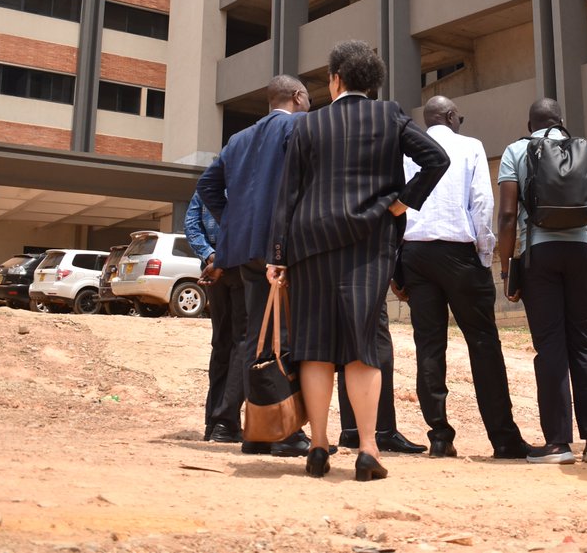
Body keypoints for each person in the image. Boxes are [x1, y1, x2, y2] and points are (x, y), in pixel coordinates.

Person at [267, 40, 449, 481]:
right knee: (362, 346)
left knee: (313, 347)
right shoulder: (389, 115)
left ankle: (318, 445)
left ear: (336, 79)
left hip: (311, 243)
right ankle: (367, 450)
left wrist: (278, 255)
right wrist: (401, 203)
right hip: (368, 243)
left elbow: (288, 194)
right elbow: (436, 159)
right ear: (371, 82)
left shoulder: (307, 125)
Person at [397, 96, 528, 459]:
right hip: (459, 253)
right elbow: (482, 203)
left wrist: (399, 264)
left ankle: (439, 436)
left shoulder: (407, 151)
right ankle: (503, 438)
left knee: (429, 345)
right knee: (483, 342)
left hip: (416, 253)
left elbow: (398, 204)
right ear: (452, 116)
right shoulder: (470, 146)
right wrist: (484, 255)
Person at [196, 74, 312, 457]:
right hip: (281, 246)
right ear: (298, 96)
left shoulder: (238, 139)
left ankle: (257, 429)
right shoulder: (299, 125)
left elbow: (207, 186)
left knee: (255, 337)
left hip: (243, 249)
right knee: (283, 334)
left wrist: (233, 220)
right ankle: (284, 432)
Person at [497, 98, 587, 465]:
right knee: (586, 346)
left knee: (550, 347)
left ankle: (558, 444)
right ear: (561, 122)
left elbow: (507, 215)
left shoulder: (516, 151)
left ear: (529, 125)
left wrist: (507, 268)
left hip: (540, 254)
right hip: (584, 252)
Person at [184, 191, 239, 443]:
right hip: (240, 267)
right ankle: (226, 423)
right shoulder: (246, 181)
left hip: (212, 268)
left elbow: (191, 224)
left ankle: (213, 422)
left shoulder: (207, 186)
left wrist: (210, 256)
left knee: (221, 344)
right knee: (242, 344)